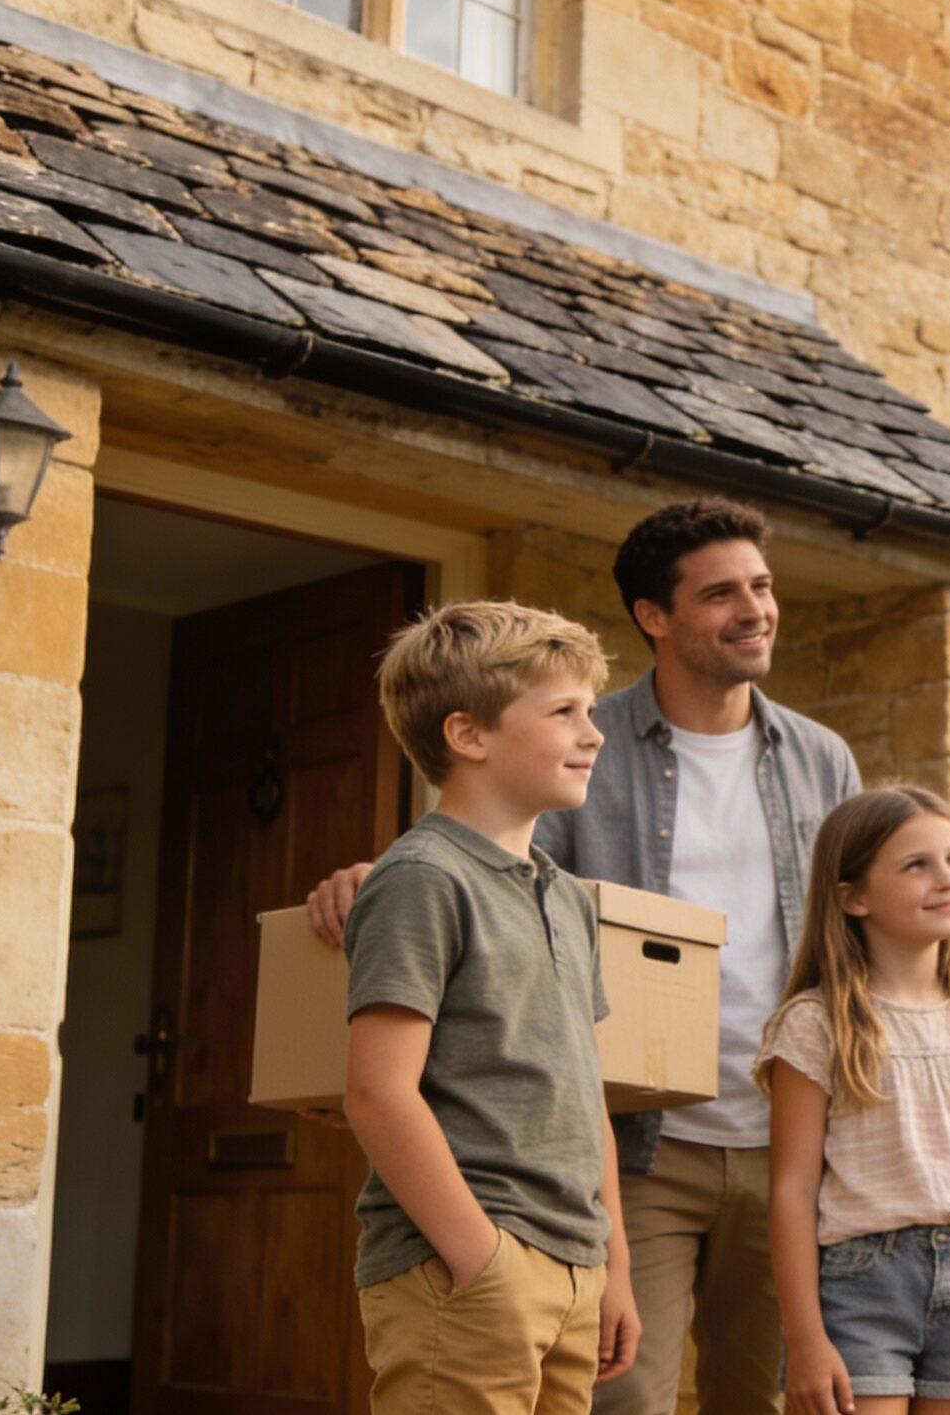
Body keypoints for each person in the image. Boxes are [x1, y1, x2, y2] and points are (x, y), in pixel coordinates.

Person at [312, 498, 861, 1415]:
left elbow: (862, 931)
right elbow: (467, 884)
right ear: (656, 614)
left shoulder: (821, 759)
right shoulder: (558, 765)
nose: (755, 609)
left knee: (760, 1398)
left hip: (782, 1141)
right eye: (722, 592)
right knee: (630, 1403)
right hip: (635, 1155)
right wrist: (486, 1258)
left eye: (762, 586)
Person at [342, 599, 639, 1415]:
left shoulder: (568, 897)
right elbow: (377, 1091)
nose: (595, 731)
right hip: (467, 1267)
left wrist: (609, 1264)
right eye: (564, 711)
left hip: (574, 1267)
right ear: (469, 736)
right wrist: (483, 1260)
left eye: (591, 708)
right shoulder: (423, 879)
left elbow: (587, 1094)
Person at [757, 785, 950, 1415]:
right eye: (917, 865)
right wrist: (805, 1339)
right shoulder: (816, 1025)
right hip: (860, 1288)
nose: (947, 879)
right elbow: (791, 1189)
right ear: (853, 897)